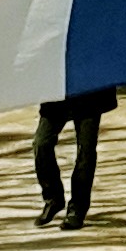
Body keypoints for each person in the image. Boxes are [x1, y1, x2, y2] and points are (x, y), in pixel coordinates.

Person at [31, 87, 111, 229]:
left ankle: (77, 209)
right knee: (41, 143)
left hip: (90, 92)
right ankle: (53, 198)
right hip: (57, 92)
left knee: (85, 151)